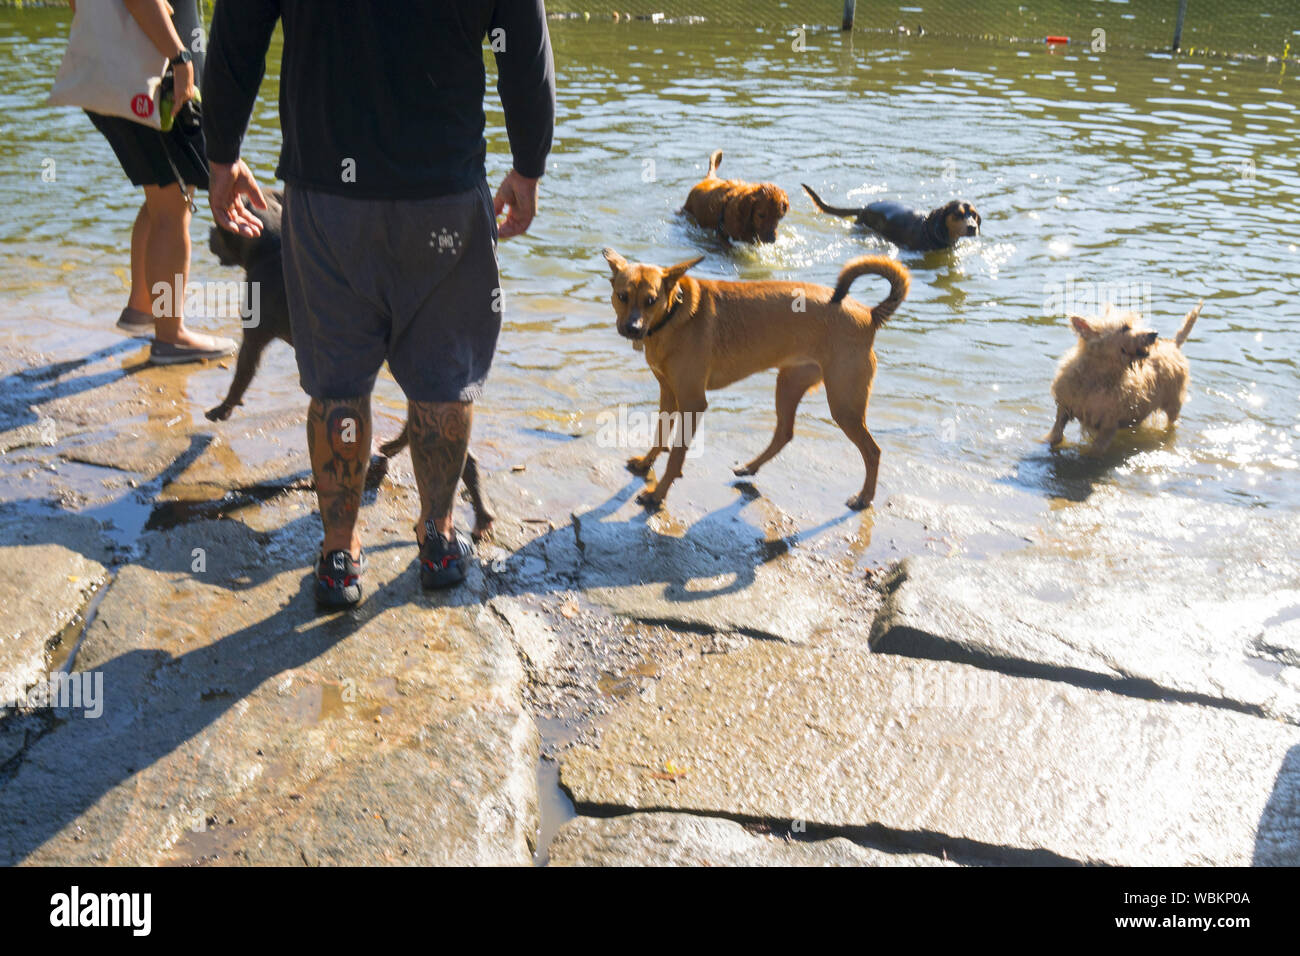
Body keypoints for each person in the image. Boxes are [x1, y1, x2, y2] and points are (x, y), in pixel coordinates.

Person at [201, 1, 555, 609]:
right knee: (444, 381)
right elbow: (522, 41)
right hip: (441, 191)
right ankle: (439, 540)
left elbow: (239, 30)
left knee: (338, 382)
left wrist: (222, 153)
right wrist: (529, 162)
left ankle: (339, 553)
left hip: (326, 195)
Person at [78, 0, 237, 364]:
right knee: (173, 206)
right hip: (158, 82)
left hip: (119, 78)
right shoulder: (171, 63)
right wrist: (180, 58)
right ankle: (171, 337)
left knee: (162, 194)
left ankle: (142, 309)